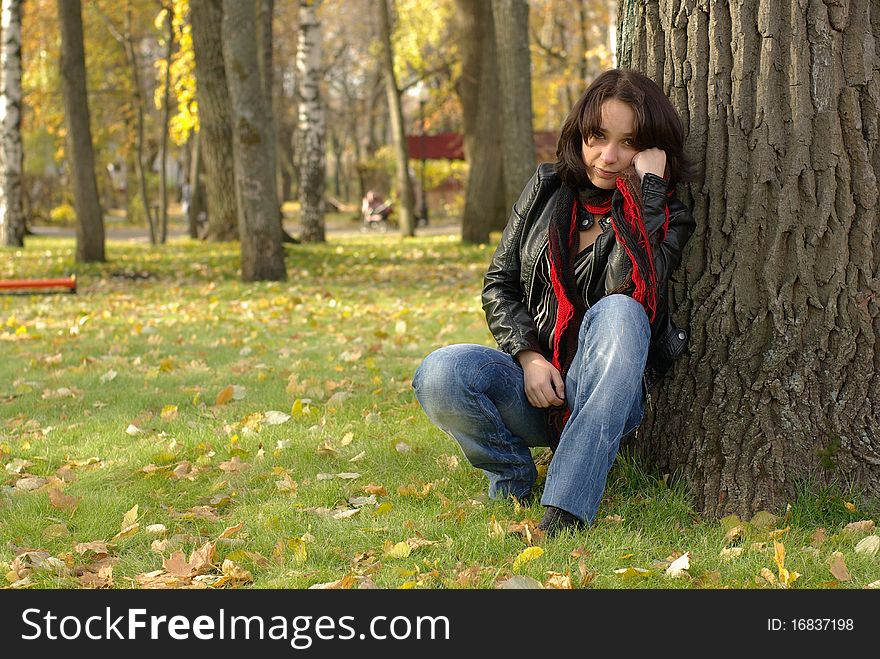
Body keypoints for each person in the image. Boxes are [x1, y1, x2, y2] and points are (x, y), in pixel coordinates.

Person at [412, 69, 696, 535]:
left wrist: (647, 194)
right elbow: (499, 283)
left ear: (651, 152)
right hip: (537, 387)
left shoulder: (666, 217)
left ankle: (565, 510)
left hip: (606, 396)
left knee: (620, 312)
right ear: (579, 133)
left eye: (628, 143)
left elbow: (630, 288)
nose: (608, 156)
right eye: (598, 136)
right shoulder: (546, 189)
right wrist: (528, 358)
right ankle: (511, 476)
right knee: (441, 372)